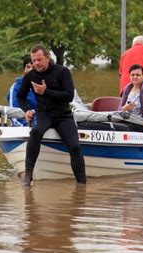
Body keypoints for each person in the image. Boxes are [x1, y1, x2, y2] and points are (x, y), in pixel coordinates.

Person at [17, 44, 86, 186]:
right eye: (33, 60)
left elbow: (69, 96)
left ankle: (81, 183)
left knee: (74, 146)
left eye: (39, 60)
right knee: (35, 132)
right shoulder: (30, 76)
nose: (36, 63)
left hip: (63, 115)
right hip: (44, 114)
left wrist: (46, 92)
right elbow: (20, 97)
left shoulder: (62, 72)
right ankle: (28, 176)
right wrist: (27, 110)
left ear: (48, 58)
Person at [6, 56, 36, 126]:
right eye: (28, 67)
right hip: (23, 127)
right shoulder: (15, 87)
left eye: (33, 68)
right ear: (24, 69)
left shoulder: (42, 86)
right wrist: (26, 126)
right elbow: (14, 115)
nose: (30, 70)